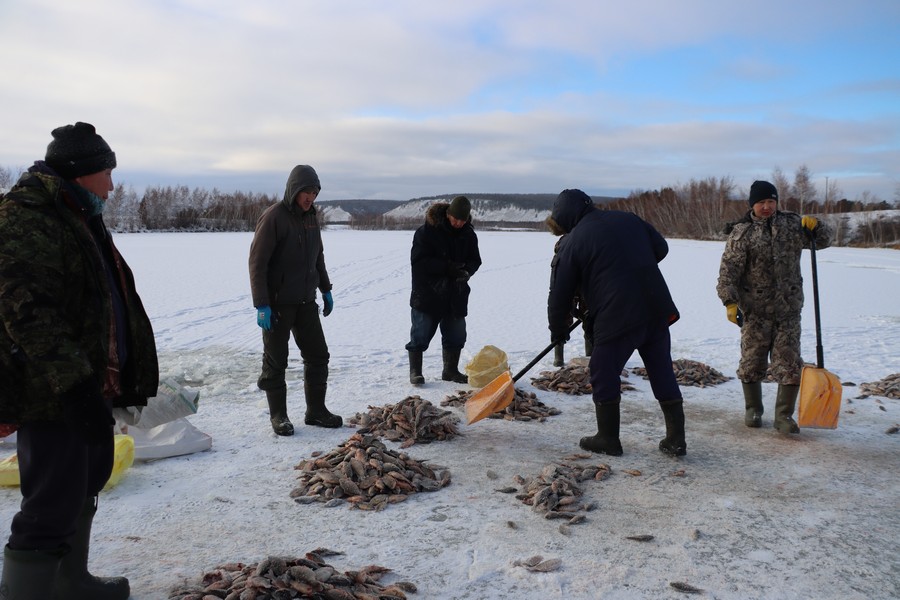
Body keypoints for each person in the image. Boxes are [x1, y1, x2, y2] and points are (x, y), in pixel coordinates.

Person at [0, 122, 159, 599]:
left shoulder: (78, 213)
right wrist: (73, 387)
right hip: (51, 391)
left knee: (85, 482)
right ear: (80, 171)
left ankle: (71, 583)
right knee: (51, 500)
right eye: (106, 173)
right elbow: (28, 312)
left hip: (90, 381)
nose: (111, 186)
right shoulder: (27, 216)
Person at [547, 189, 685, 457]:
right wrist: (628, 265)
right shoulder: (628, 219)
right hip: (656, 306)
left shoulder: (573, 241)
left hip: (619, 314)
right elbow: (661, 248)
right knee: (660, 368)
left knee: (603, 370)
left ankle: (608, 439)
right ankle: (676, 439)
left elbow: (560, 294)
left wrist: (558, 330)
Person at [716, 180, 832, 433]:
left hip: (788, 308)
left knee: (789, 363)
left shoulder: (792, 224)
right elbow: (728, 271)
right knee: (751, 361)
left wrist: (817, 226)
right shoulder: (742, 233)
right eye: (761, 202)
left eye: (771, 201)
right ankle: (753, 409)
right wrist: (729, 301)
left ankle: (784, 416)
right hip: (755, 310)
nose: (767, 206)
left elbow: (824, 241)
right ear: (752, 205)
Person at [248, 164, 341, 436]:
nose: (310, 197)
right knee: (276, 361)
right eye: (306, 192)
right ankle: (279, 416)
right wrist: (262, 303)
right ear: (294, 190)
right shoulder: (274, 217)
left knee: (318, 356)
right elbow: (257, 263)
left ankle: (316, 411)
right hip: (278, 304)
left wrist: (325, 288)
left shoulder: (311, 218)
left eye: (314, 193)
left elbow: (318, 257)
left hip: (305, 302)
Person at [406, 195, 482, 385]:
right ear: (448, 214)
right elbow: (419, 262)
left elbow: (475, 260)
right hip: (428, 292)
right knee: (420, 334)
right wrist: (447, 268)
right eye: (455, 219)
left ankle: (450, 371)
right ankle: (416, 372)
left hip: (456, 293)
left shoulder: (468, 234)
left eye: (463, 220)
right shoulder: (426, 232)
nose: (458, 223)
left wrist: (467, 271)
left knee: (456, 334)